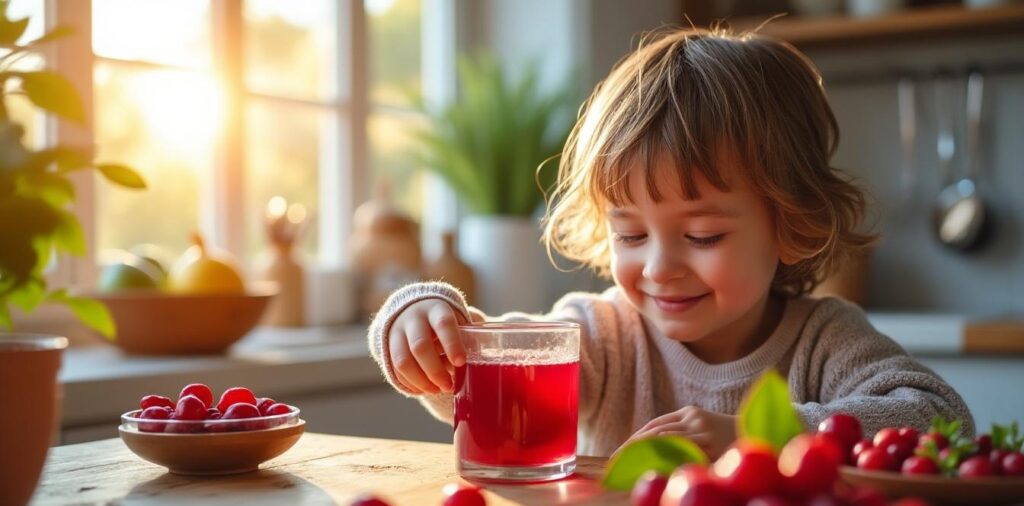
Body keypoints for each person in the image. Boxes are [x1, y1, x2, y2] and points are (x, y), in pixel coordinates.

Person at [367, 27, 974, 459]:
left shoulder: (825, 341)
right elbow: (484, 377)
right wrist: (425, 321)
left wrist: (758, 433)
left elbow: (943, 419)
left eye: (702, 235)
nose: (659, 267)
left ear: (790, 225)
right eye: (630, 233)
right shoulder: (604, 336)